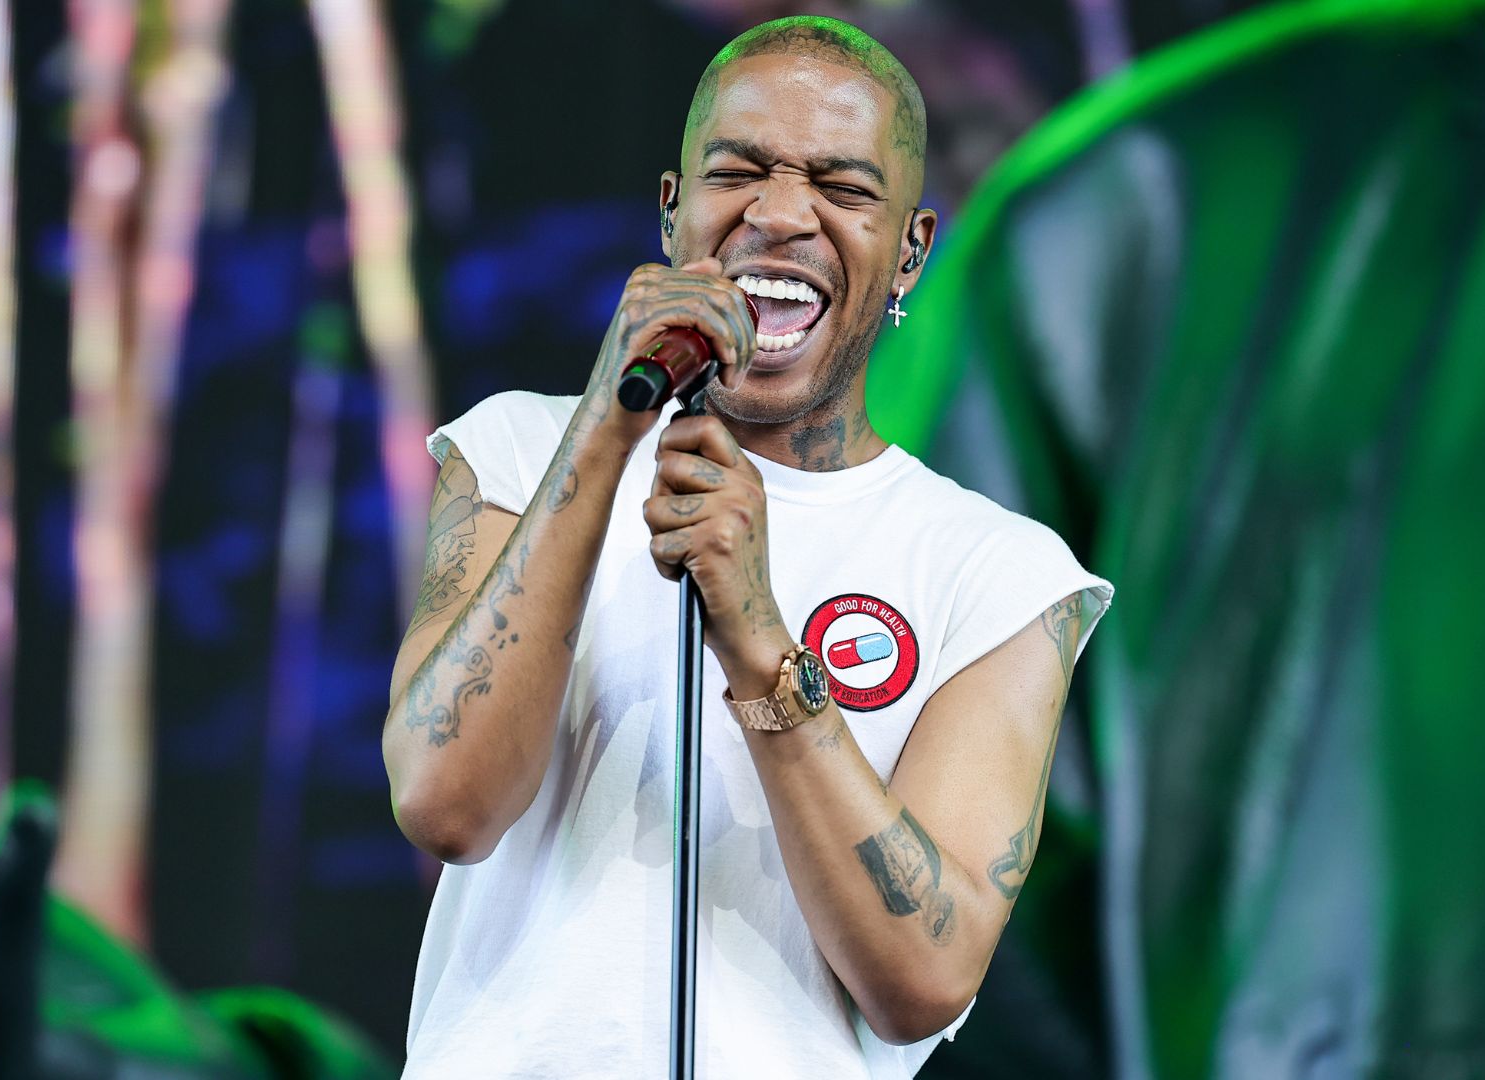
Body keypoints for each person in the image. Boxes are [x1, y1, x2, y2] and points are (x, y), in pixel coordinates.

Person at [382, 16, 1113, 1078]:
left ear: (910, 248)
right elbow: (444, 804)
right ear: (672, 213)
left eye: (843, 188)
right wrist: (603, 431)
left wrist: (761, 638)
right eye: (739, 172)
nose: (778, 215)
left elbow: (924, 980)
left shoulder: (996, 572)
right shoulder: (516, 452)